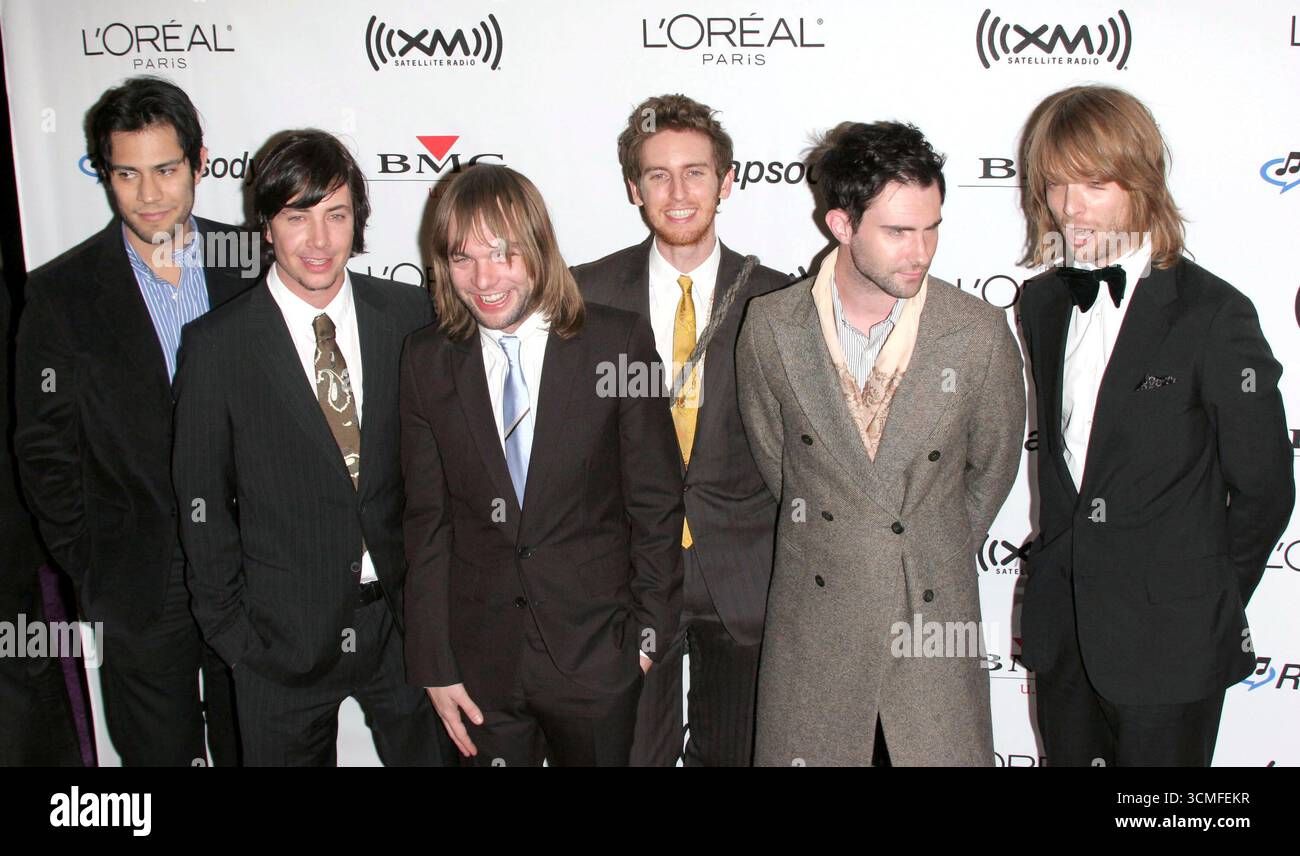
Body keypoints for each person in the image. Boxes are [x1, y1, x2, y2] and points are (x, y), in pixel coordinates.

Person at [1015, 85, 1294, 767]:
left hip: (1172, 646)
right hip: (1066, 637)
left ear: (1142, 182)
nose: (1072, 208)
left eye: (1095, 183)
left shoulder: (1214, 315)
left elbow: (1264, 489)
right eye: (1055, 185)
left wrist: (1199, 599)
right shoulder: (1044, 303)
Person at [736, 121, 1025, 766]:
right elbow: (780, 466)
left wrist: (922, 539)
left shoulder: (977, 333)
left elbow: (992, 467)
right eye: (897, 232)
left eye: (932, 227)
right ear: (841, 225)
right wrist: (853, 536)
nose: (920, 251)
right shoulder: (771, 325)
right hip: (817, 624)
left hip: (931, 620)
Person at [172, 129, 449, 766]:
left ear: (359, 221)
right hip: (278, 643)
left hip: (405, 630)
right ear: (266, 226)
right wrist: (235, 637)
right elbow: (201, 504)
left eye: (336, 215)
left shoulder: (411, 315)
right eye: (297, 216)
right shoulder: (219, 346)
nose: (319, 241)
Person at [402, 164, 684, 766]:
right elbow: (427, 522)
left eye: (502, 253)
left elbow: (657, 503)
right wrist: (434, 664)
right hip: (478, 668)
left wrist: (644, 640)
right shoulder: (425, 360)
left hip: (598, 659)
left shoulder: (617, 343)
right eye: (463, 258)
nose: (485, 279)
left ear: (539, 248)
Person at [14, 76, 249, 766]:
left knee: (260, 750)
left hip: (252, 574)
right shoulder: (61, 294)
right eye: (127, 173)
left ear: (200, 162)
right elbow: (43, 449)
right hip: (139, 587)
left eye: (166, 170)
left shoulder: (254, 263)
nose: (149, 195)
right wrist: (96, 570)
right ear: (105, 174)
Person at [571, 93, 788, 766]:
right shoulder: (585, 294)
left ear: (727, 181)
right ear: (634, 189)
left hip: (744, 579)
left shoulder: (781, 300)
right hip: (626, 579)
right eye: (658, 175)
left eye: (696, 172)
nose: (679, 191)